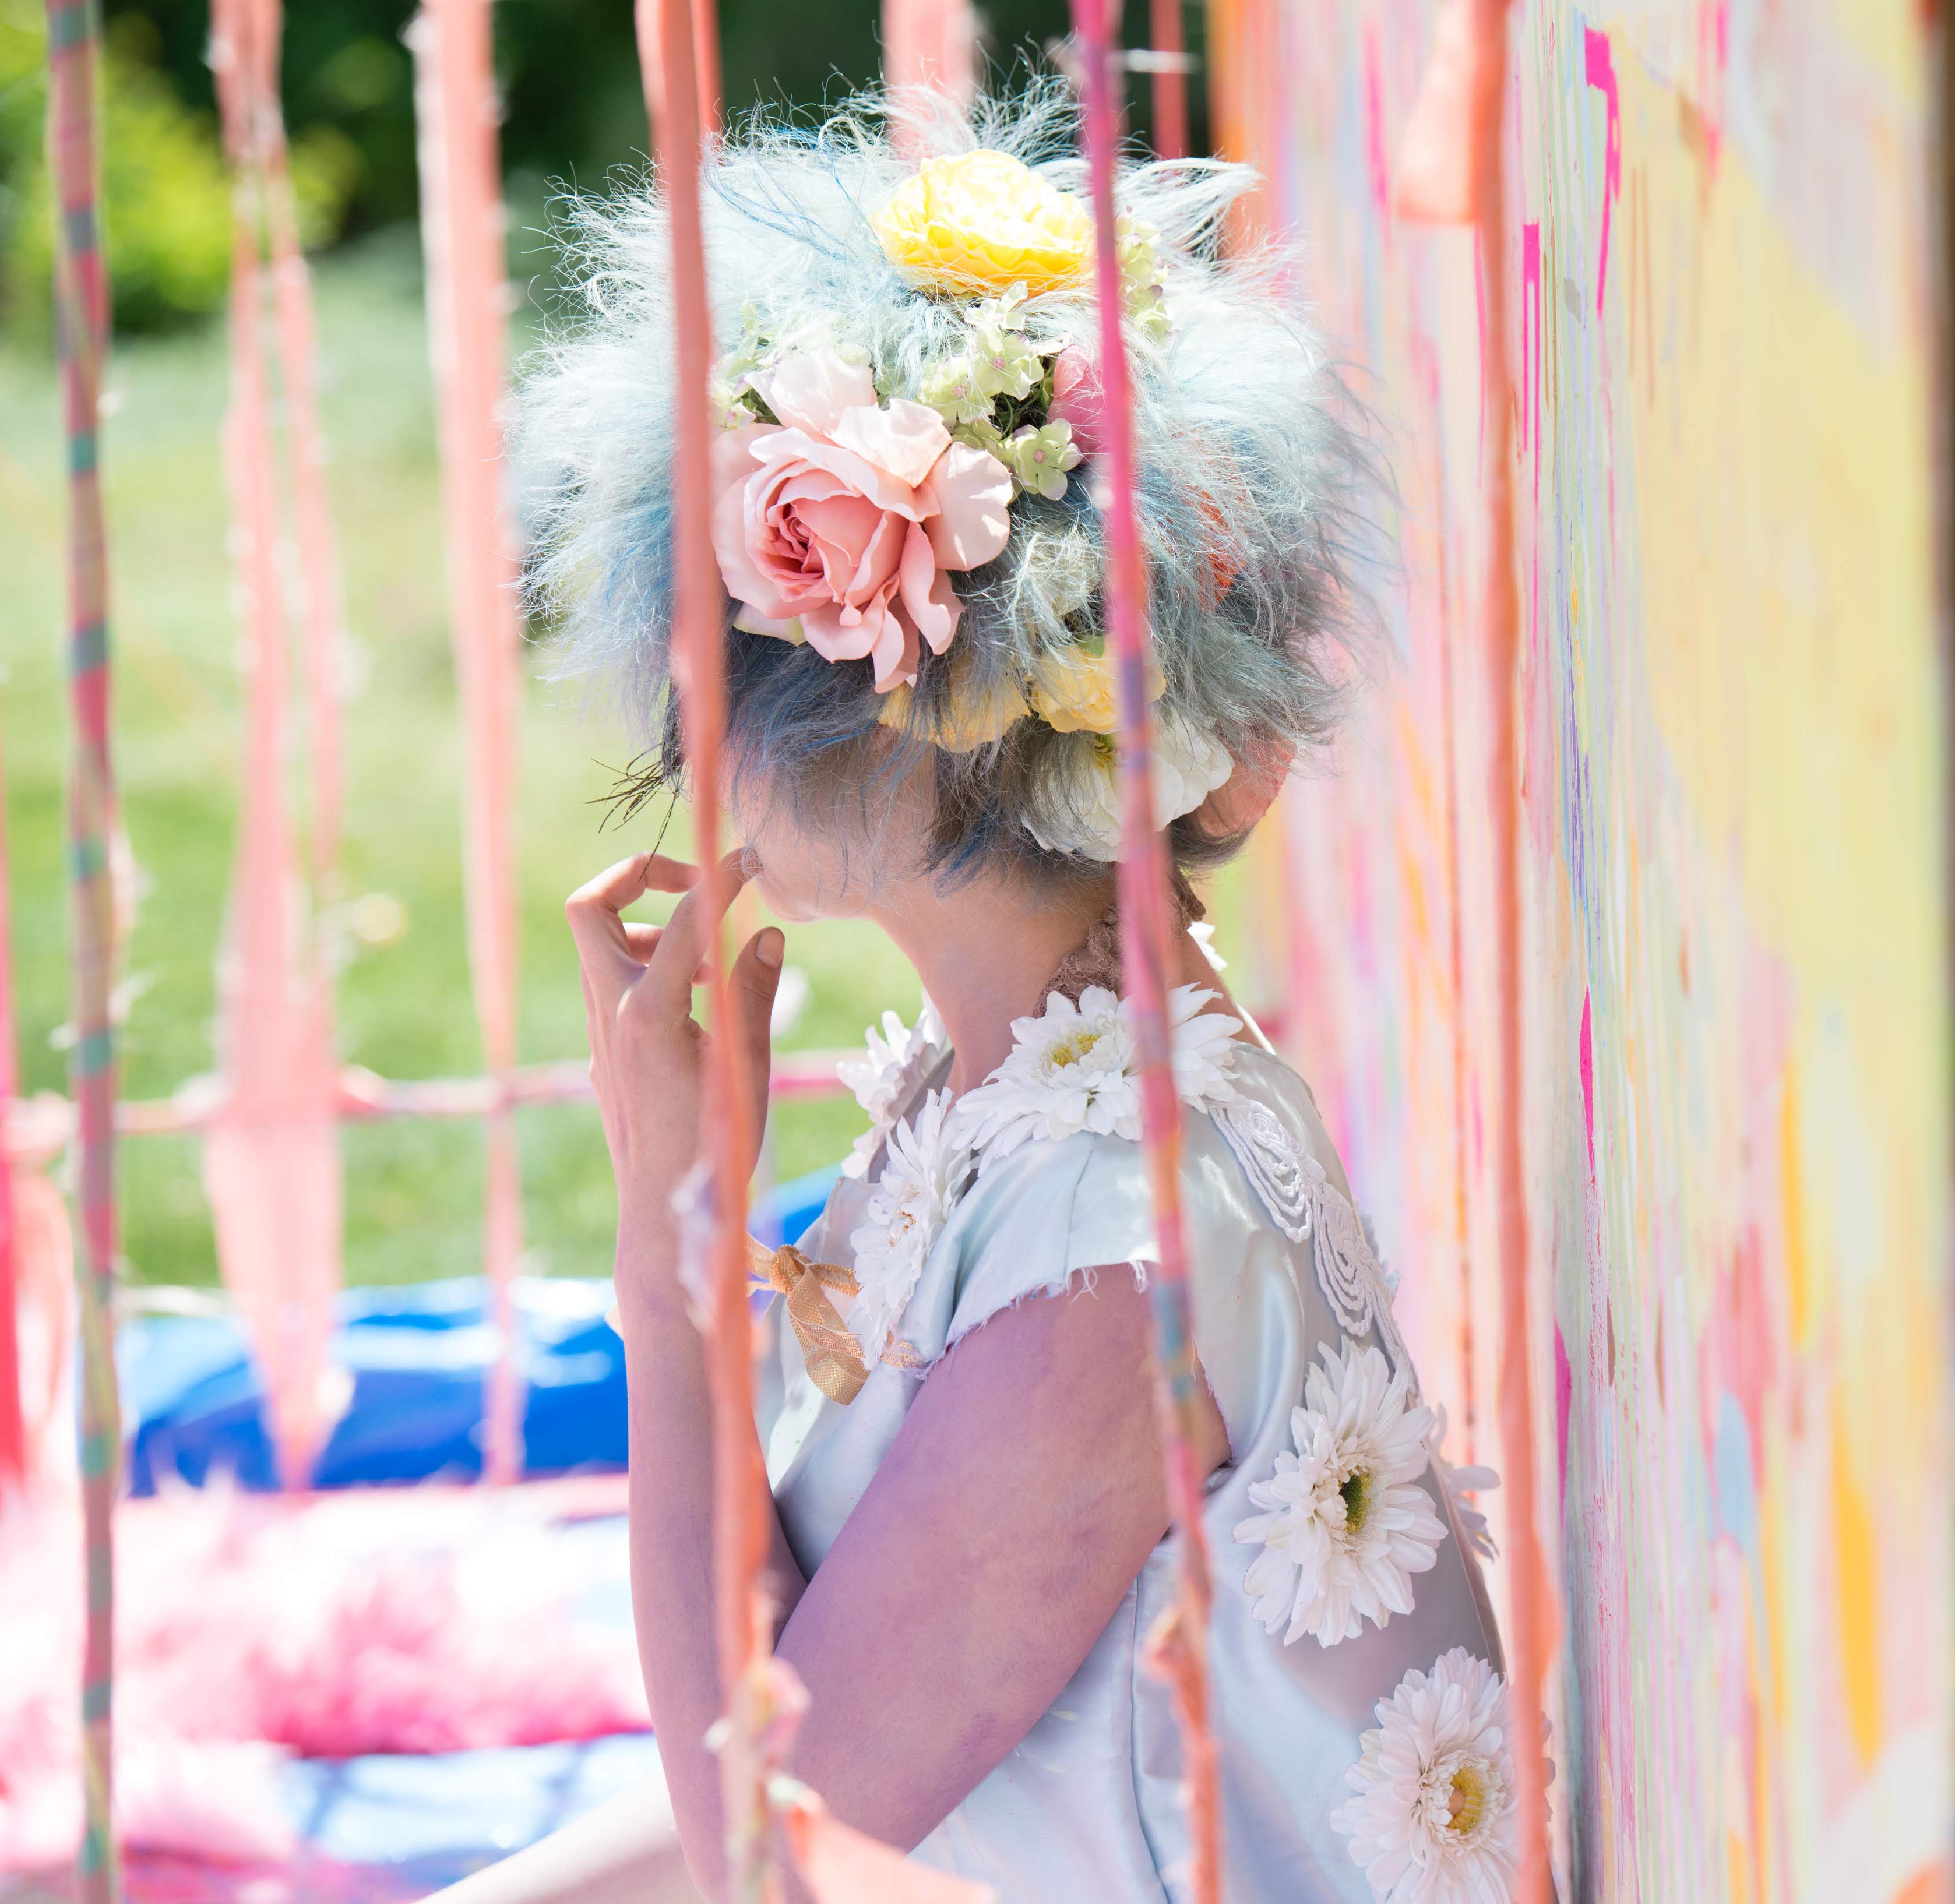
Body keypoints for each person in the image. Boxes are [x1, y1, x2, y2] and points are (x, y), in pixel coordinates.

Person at [435, 91, 1519, 1904]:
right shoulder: (1039, 1079)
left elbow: (763, 1848)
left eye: (720, 675)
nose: (687, 752)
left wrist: (671, 1262)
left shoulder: (1108, 1253)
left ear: (892, 716)